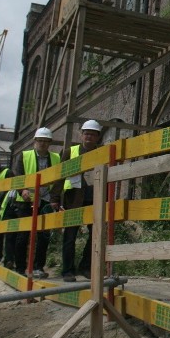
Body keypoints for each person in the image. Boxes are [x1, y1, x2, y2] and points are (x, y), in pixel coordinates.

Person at [6, 127, 62, 278]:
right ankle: (21, 268)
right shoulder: (24, 155)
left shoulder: (56, 158)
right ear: (35, 142)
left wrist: (54, 199)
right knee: (23, 236)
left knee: (44, 236)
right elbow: (18, 176)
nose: (42, 144)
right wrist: (22, 190)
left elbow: (58, 180)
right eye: (40, 141)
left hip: (45, 201)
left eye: (45, 141)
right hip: (26, 201)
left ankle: (38, 267)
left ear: (49, 142)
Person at [60, 119, 103, 282]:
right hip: (73, 200)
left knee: (95, 235)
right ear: (81, 135)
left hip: (94, 199)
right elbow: (59, 176)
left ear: (98, 137)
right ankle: (68, 271)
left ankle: (86, 267)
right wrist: (55, 199)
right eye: (86, 134)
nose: (89, 137)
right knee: (70, 236)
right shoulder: (69, 152)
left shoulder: (102, 152)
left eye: (92, 134)